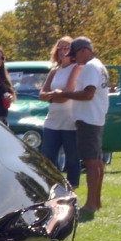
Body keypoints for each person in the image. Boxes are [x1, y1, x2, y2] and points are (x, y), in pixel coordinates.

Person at [64, 36, 110, 218]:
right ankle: (96, 202)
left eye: (75, 55)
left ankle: (90, 204)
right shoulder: (99, 66)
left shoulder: (91, 67)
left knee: (91, 163)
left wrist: (65, 94)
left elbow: (88, 94)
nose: (74, 59)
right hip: (95, 118)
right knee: (97, 162)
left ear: (84, 50)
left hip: (88, 119)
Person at [37, 36, 81, 188]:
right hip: (53, 120)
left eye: (66, 48)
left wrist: (53, 95)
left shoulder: (76, 68)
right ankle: (51, 185)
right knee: (47, 157)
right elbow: (42, 95)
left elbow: (68, 92)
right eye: (60, 48)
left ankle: (72, 186)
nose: (63, 51)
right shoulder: (54, 71)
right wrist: (54, 94)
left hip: (70, 120)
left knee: (72, 159)